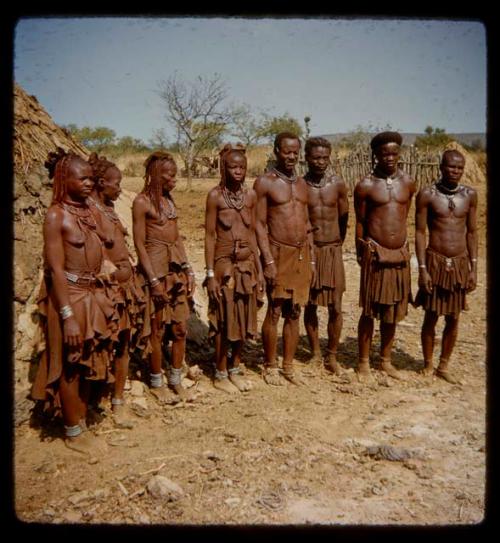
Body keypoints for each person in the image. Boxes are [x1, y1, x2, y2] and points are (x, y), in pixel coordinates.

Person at [31, 148, 116, 455]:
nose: (88, 184)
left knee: (85, 360)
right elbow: (54, 270)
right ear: (63, 180)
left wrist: (91, 200)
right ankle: (73, 432)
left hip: (92, 295)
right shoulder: (56, 215)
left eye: (91, 179)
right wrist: (66, 315)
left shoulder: (88, 209)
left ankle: (80, 417)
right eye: (81, 179)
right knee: (70, 362)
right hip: (70, 297)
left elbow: (109, 238)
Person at [87, 152, 145, 426]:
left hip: (125, 288)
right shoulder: (89, 212)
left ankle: (118, 400)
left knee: (123, 343)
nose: (119, 189)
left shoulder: (109, 209)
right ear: (100, 182)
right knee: (102, 346)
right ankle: (94, 404)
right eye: (115, 183)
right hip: (105, 292)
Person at [132, 151, 195, 401]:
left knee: (180, 329)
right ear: (156, 175)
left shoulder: (169, 201)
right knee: (156, 331)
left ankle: (176, 379)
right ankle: (157, 383)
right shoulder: (141, 202)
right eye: (170, 175)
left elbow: (177, 236)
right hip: (155, 274)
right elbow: (139, 244)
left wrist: (188, 268)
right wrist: (153, 282)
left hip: (176, 272)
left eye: (175, 175)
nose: (174, 180)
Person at [354, 131, 416, 381]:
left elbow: (404, 214)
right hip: (374, 254)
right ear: (375, 155)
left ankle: (386, 360)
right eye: (384, 153)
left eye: (394, 153)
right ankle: (363, 362)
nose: (390, 158)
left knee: (393, 310)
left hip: (399, 254)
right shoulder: (365, 185)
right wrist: (361, 253)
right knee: (370, 310)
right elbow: (360, 221)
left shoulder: (409, 183)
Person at [254, 132, 315, 386]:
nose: (291, 156)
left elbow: (307, 221)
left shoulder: (302, 184)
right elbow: (258, 223)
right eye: (286, 151)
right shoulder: (265, 182)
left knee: (295, 310)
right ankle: (270, 365)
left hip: (301, 253)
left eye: (295, 152)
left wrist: (310, 255)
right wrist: (267, 260)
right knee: (276, 308)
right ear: (277, 151)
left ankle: (288, 365)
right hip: (278, 253)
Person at [204, 143, 264, 392]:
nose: (238, 171)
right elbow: (209, 235)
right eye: (232, 167)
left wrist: (258, 269)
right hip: (224, 263)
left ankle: (236, 366)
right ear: (224, 168)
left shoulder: (251, 196)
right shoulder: (215, 196)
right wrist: (209, 274)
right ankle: (220, 372)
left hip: (247, 263)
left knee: (244, 314)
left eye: (242, 167)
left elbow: (252, 233)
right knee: (224, 316)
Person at [414, 149, 478, 383]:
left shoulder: (470, 195)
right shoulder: (427, 195)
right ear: (441, 167)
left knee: (454, 317)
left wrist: (473, 268)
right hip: (435, 260)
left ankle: (444, 365)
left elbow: (472, 232)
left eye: (460, 168)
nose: (455, 171)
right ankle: (428, 363)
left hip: (460, 262)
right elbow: (420, 233)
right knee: (431, 315)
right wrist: (422, 269)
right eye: (451, 167)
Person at [303, 137, 348, 375]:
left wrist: (336, 244)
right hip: (310, 250)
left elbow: (344, 218)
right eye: (316, 157)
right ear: (307, 158)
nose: (321, 162)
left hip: (332, 249)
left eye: (325, 158)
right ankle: (315, 353)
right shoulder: (301, 186)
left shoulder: (338, 184)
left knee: (336, 306)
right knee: (309, 305)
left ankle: (332, 356)